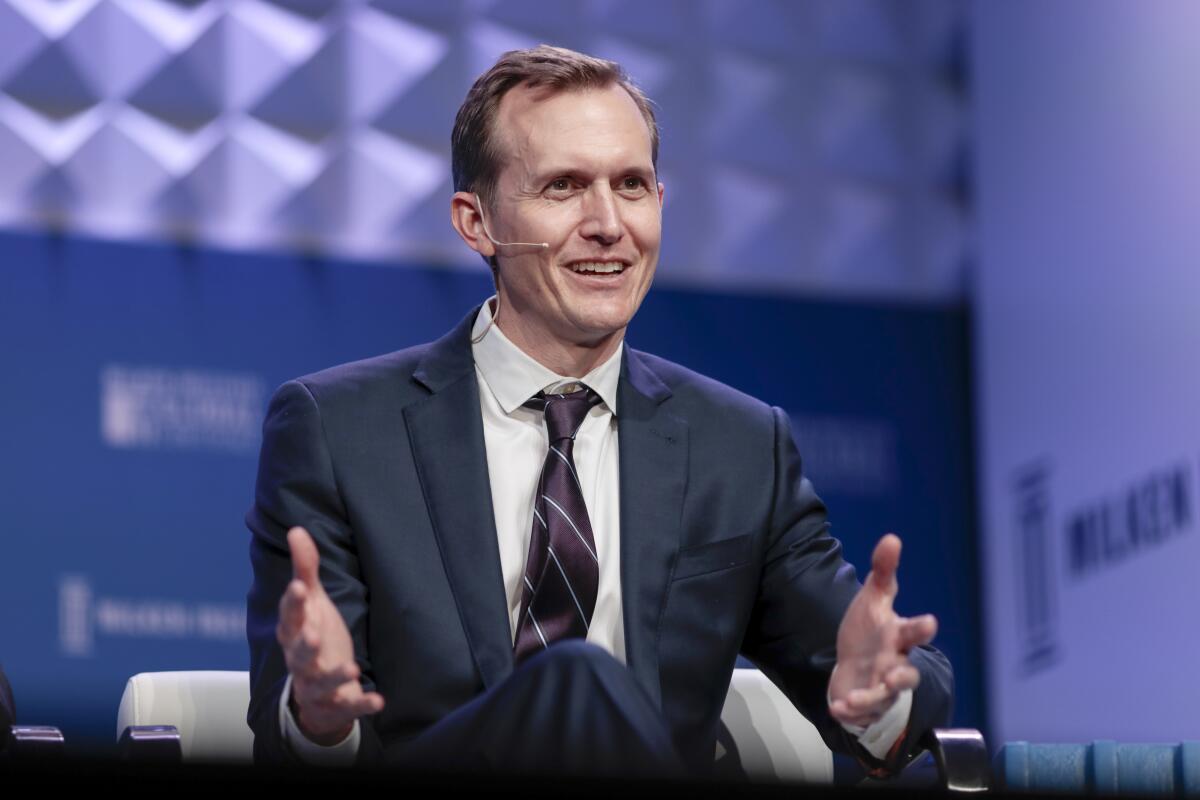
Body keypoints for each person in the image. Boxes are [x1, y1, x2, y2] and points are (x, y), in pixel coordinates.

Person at [246, 45, 952, 777]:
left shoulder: (738, 448)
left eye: (632, 185)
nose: (609, 223)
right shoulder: (339, 432)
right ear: (476, 221)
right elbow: (289, 727)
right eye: (564, 187)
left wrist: (879, 695)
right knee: (572, 679)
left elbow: (893, 677)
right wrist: (319, 716)